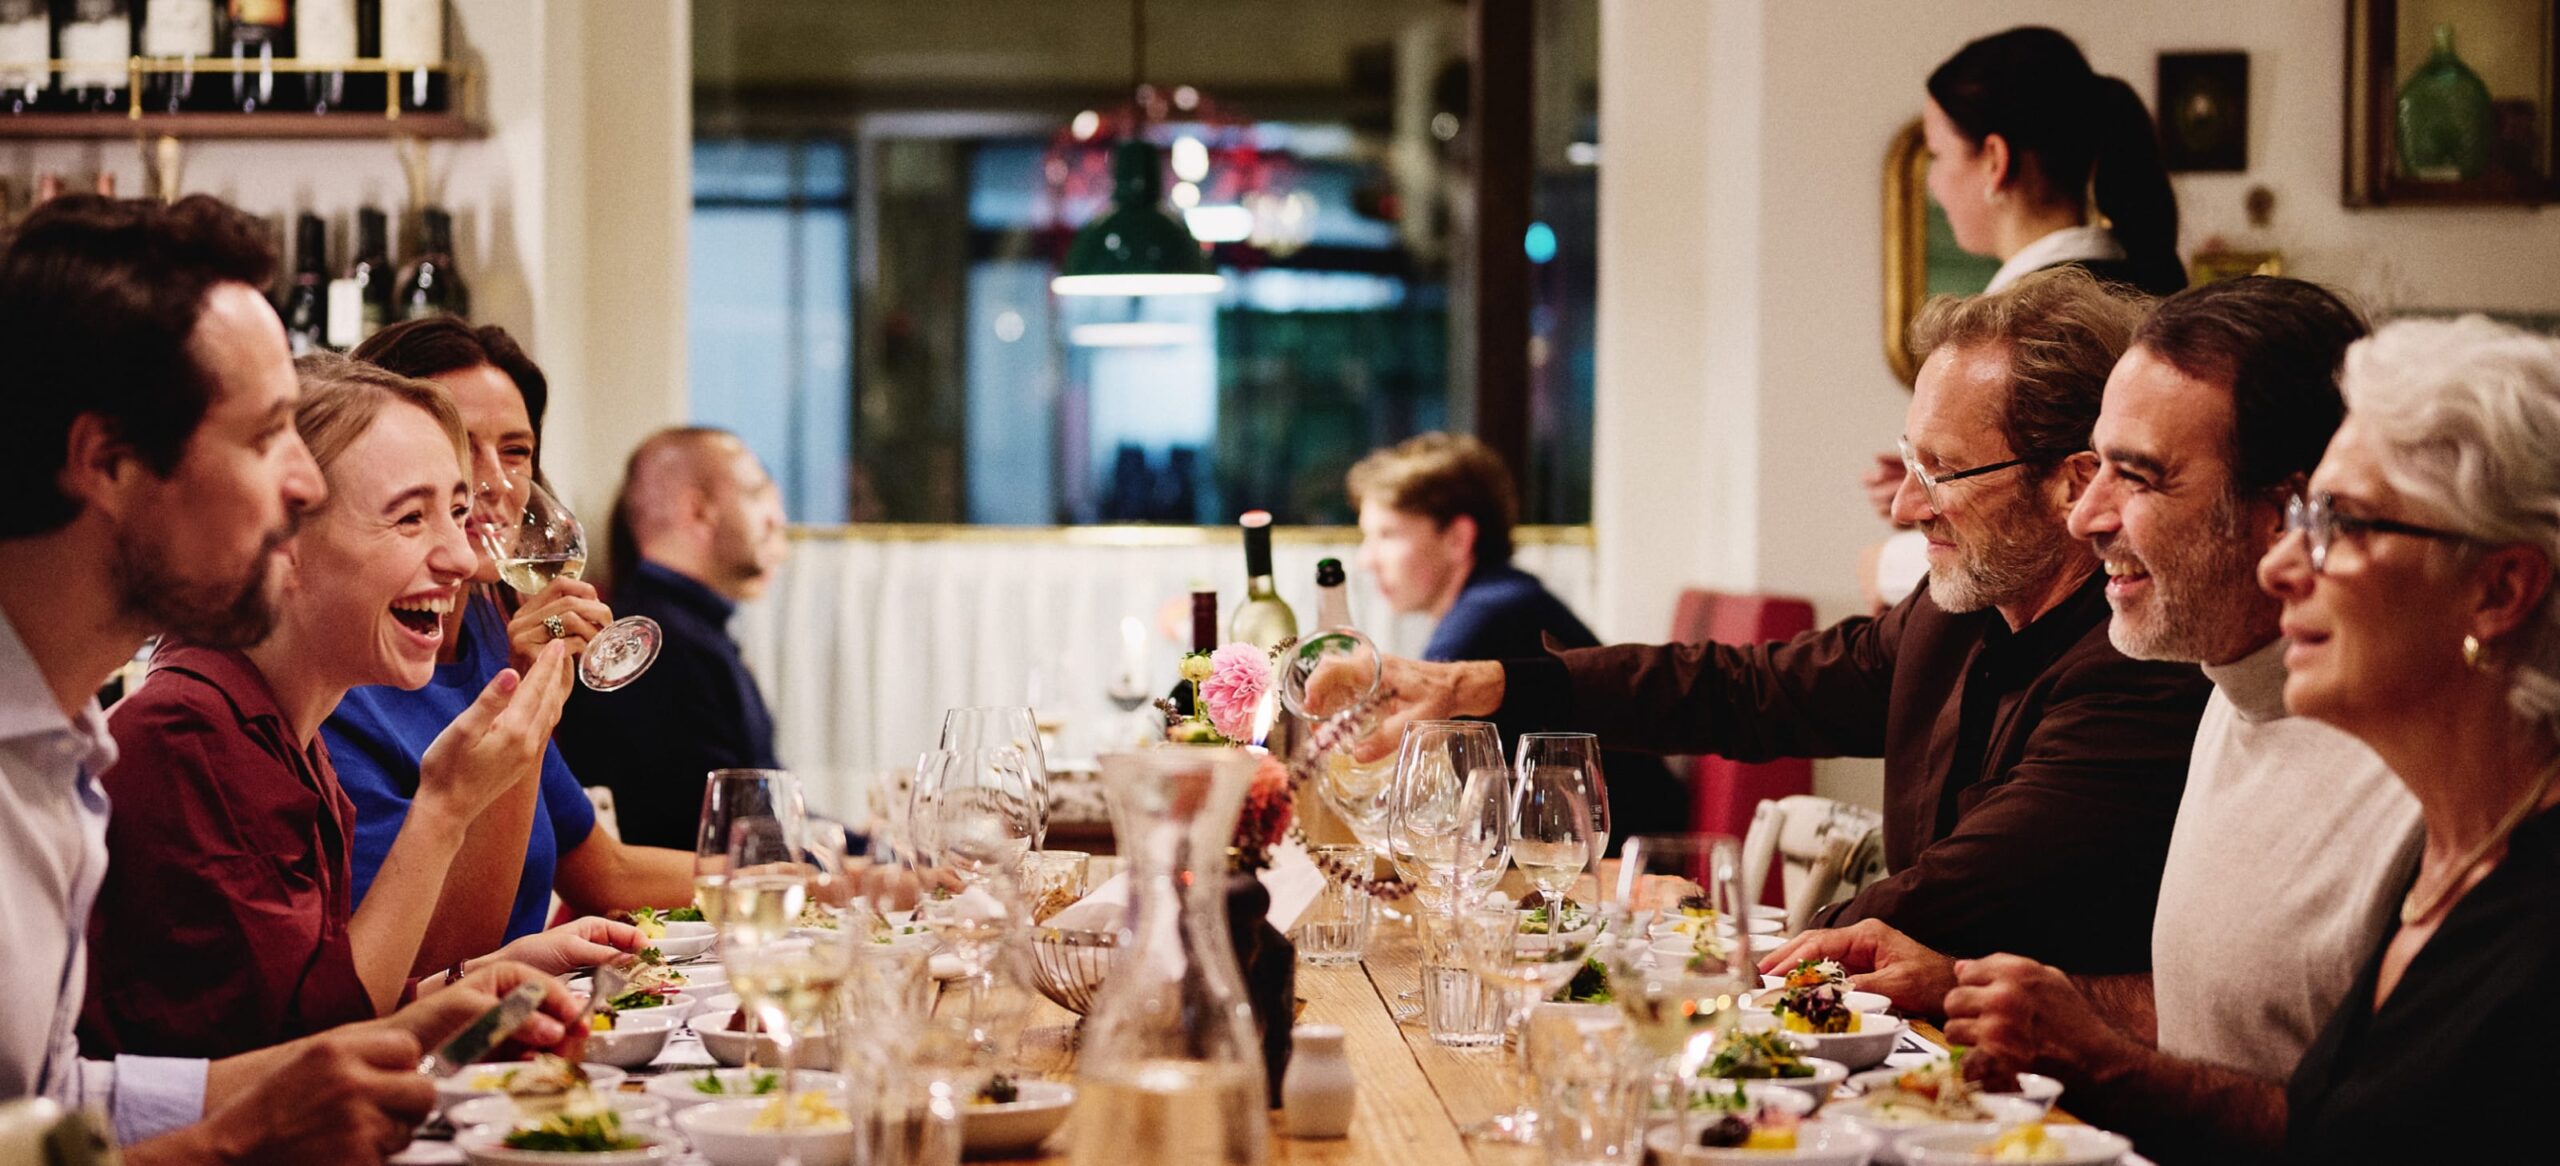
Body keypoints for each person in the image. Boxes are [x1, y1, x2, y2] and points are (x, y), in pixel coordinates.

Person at [1351, 268, 2209, 973]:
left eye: (1941, 470)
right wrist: (1492, 684)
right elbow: (1748, 689)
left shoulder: (2134, 658)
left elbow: (1965, 886)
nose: (1909, 506)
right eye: (1910, 462)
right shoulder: (1953, 617)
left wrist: (1718, 946)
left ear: (2072, 479)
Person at [1769, 278, 2423, 1161]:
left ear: (2286, 514)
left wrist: (2105, 1064)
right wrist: (1964, 982)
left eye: (2137, 475)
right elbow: (2243, 1008)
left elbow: (2394, 1125)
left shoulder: (2413, 765)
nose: (2084, 515)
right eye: (2092, 466)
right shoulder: (2231, 687)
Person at [0, 192, 579, 1163]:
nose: (304, 484)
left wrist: (418, 1023)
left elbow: (52, 1101)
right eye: (267, 432)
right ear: (106, 461)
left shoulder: (63, 751)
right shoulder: (165, 731)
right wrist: (240, 1140)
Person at [81, 355, 642, 1061]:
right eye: (410, 517)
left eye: (459, 514)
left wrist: (488, 976)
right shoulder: (188, 732)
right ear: (279, 539)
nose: (461, 561)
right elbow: (309, 1062)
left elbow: (324, 1002)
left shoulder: (285, 728)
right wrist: (443, 807)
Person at [2252, 317, 2560, 1162]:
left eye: (2342, 523)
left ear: (2499, 589)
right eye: (2302, 513)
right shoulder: (2454, 852)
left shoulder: (2539, 930)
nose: (2277, 565)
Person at [333, 319, 694, 964]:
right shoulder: (341, 678)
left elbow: (601, 871)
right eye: (460, 446)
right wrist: (524, 700)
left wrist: (812, 877)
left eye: (516, 451)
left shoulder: (486, 624)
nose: (495, 483)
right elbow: (435, 967)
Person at [1865, 25, 2189, 608]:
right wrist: (1952, 477)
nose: (1934, 184)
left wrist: (1884, 569)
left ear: (1994, 159)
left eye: (1937, 156)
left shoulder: (2044, 326)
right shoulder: (2133, 279)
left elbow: (2068, 526)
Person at [1345, 431, 1684, 846]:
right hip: (1606, 847)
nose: (1366, 560)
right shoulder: (1507, 598)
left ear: (1457, 539)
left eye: (1388, 535)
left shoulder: (1484, 619)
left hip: (1619, 864)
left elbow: (1422, 799)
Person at [554, 427, 790, 849]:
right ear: (699, 512)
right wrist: (853, 869)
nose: (777, 518)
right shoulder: (654, 647)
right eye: (757, 495)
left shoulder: (691, 631)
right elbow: (725, 839)